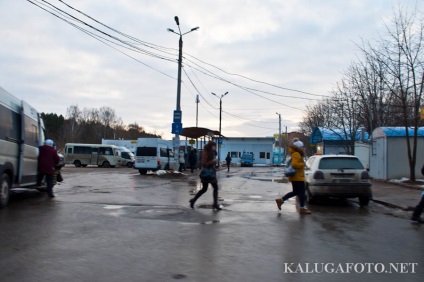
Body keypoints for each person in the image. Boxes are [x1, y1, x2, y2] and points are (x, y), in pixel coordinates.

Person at [275, 139, 311, 214]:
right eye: (302, 146)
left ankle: (281, 200)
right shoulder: (297, 154)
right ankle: (302, 208)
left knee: (296, 192)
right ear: (298, 147)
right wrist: (302, 165)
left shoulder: (295, 153)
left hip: (296, 177)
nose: (303, 148)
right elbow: (294, 164)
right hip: (298, 177)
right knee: (302, 193)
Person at [189, 141, 222, 210]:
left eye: (214, 146)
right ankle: (214, 204)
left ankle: (194, 201)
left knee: (208, 188)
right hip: (207, 173)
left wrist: (214, 152)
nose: (214, 147)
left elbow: (214, 154)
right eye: (213, 146)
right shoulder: (205, 152)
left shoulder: (211, 152)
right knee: (208, 188)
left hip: (211, 173)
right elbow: (204, 163)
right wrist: (212, 161)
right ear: (210, 146)